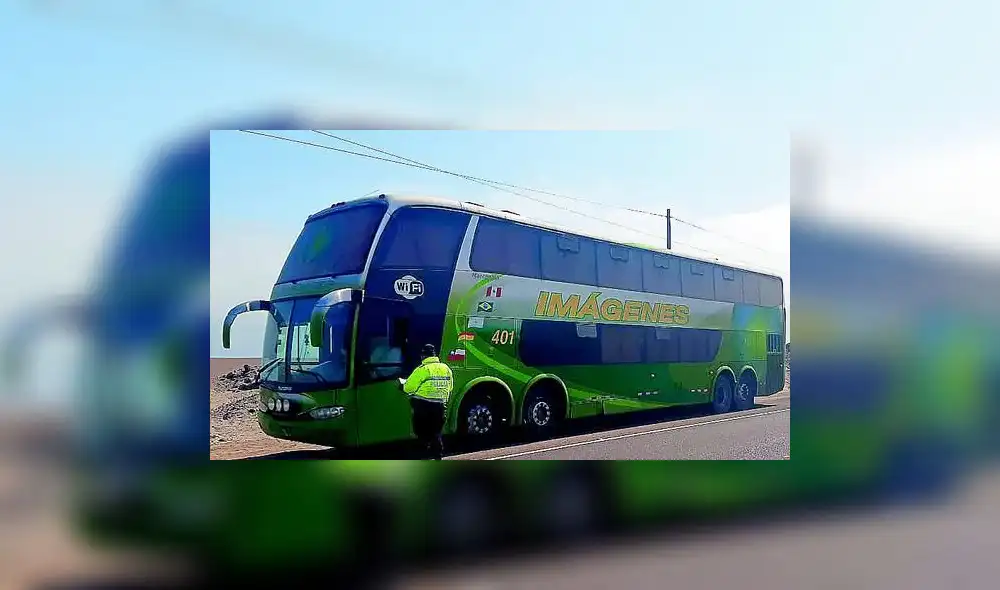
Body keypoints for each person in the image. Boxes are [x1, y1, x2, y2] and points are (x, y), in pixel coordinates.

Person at [399, 344, 452, 460]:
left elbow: (409, 388)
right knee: (436, 433)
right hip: (440, 406)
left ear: (423, 356)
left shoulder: (422, 369)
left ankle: (424, 457)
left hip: (423, 407)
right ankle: (438, 456)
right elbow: (450, 387)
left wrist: (403, 385)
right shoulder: (446, 368)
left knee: (422, 434)